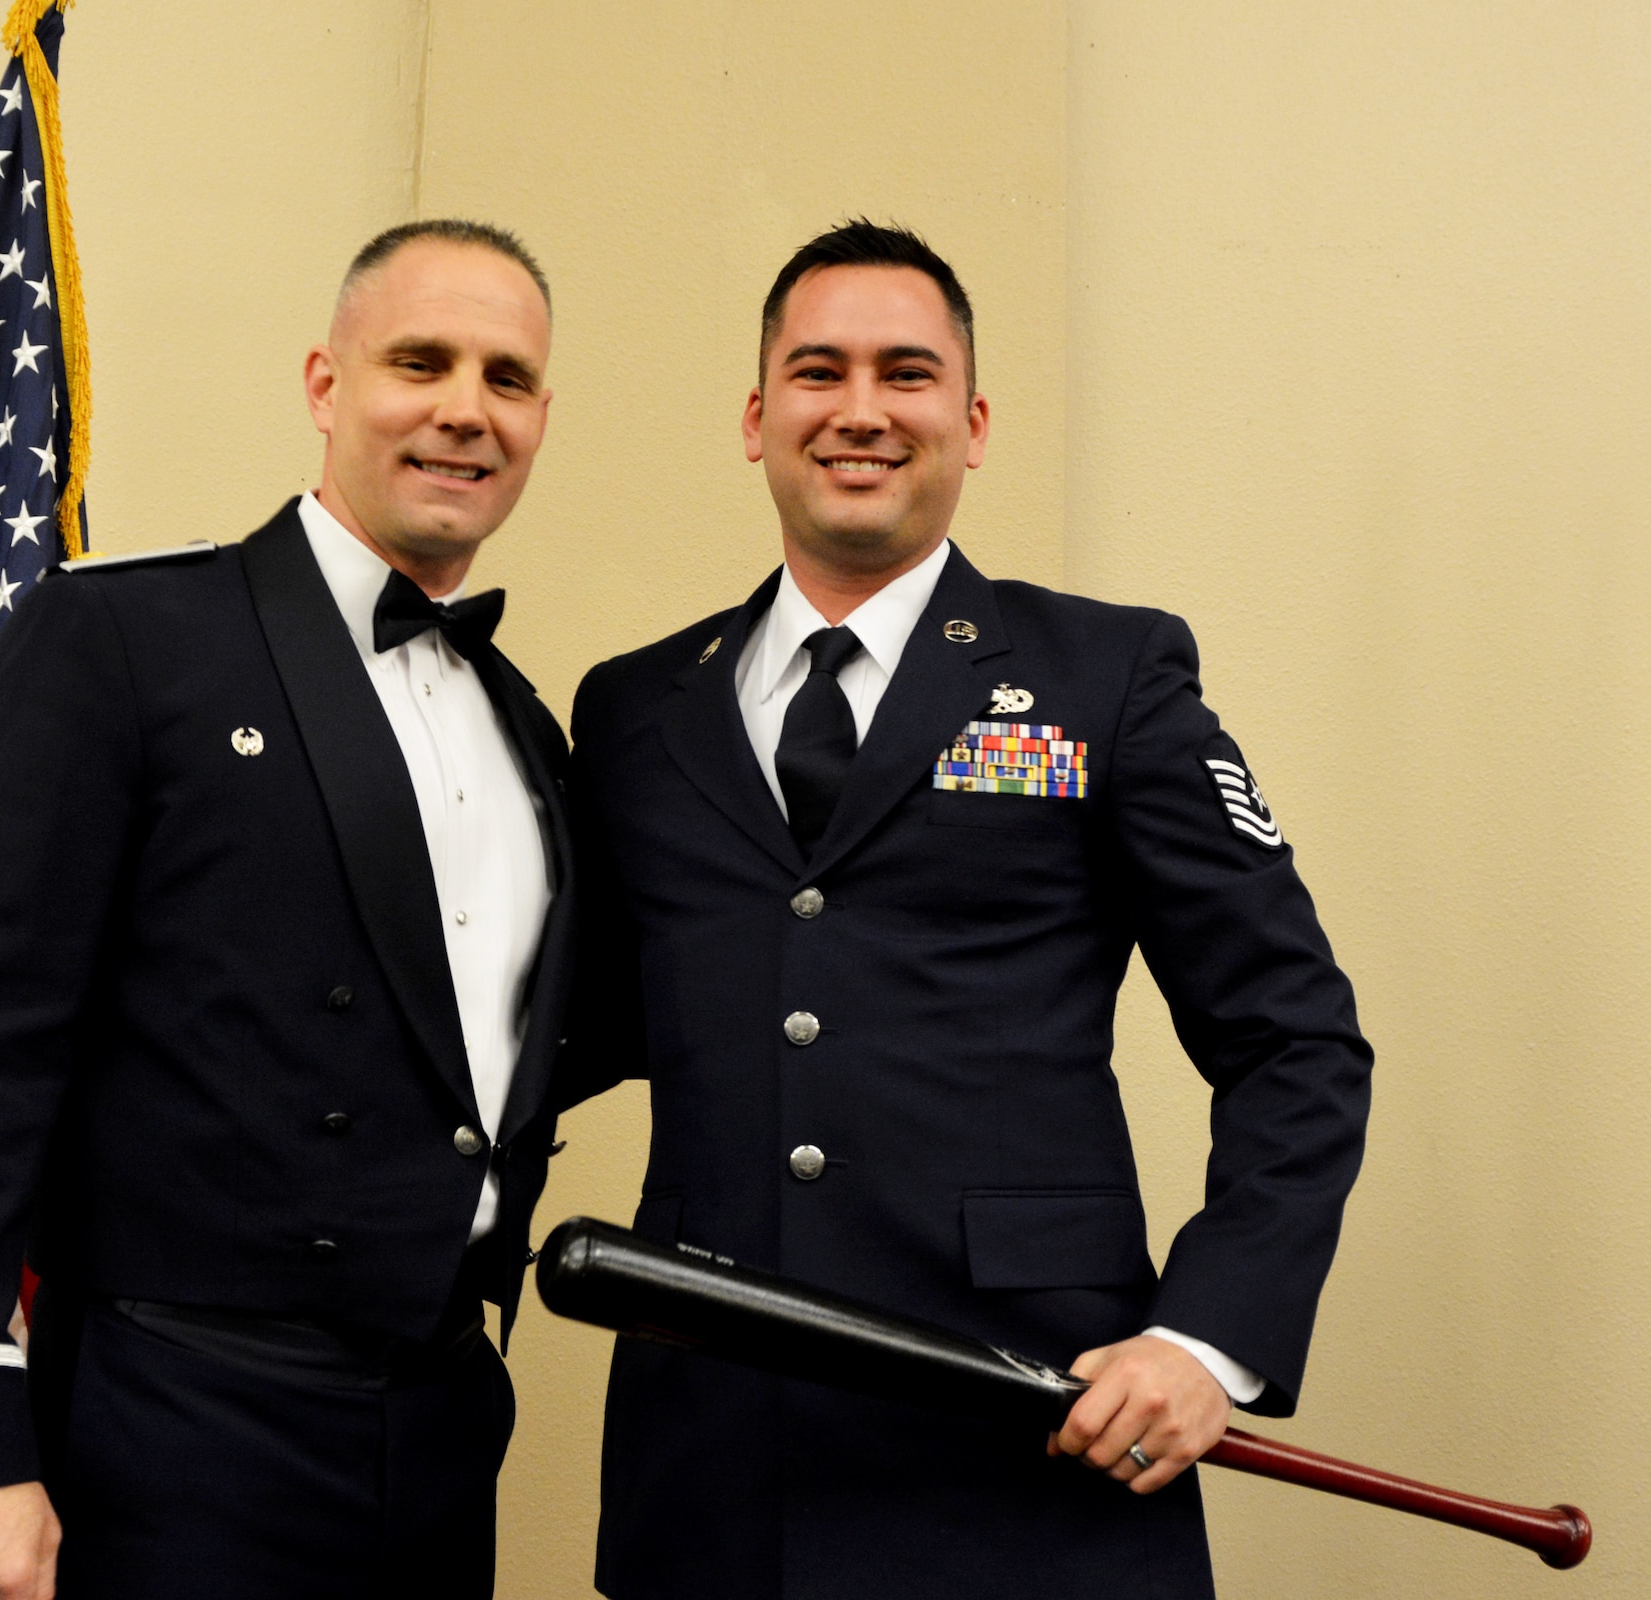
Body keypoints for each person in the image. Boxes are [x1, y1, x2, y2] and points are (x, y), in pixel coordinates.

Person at [563, 220, 1373, 1598]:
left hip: (1024, 1460)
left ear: (974, 420)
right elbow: (554, 1040)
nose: (862, 410)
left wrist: (1204, 1343)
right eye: (818, 373)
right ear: (758, 419)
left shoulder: (1103, 678)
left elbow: (1296, 1040)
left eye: (908, 373)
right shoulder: (637, 708)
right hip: (714, 1473)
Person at [0, 219, 574, 1600]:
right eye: (419, 361)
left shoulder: (527, 728)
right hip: (173, 1422)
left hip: (438, 1431)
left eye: (506, 377)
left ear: (541, 417)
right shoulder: (126, 638)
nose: (462, 410)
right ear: (324, 383)